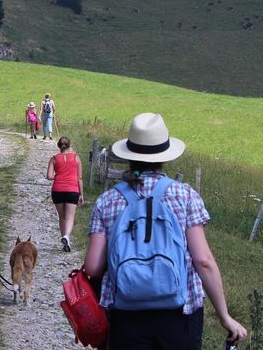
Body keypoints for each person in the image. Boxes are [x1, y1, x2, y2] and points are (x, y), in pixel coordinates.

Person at [81, 113, 247, 349]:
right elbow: (203, 261)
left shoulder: (107, 201)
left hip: (126, 315)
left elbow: (93, 267)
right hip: (180, 315)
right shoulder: (185, 195)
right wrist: (224, 316)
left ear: (130, 156)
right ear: (164, 157)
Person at [46, 136, 83, 252]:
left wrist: (59, 175)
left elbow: (49, 176)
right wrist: (81, 194)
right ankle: (66, 237)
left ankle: (65, 240)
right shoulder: (76, 158)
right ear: (69, 145)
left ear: (59, 146)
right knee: (70, 216)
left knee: (61, 216)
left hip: (57, 189)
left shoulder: (54, 159)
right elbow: (80, 178)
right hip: (73, 189)